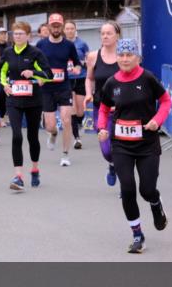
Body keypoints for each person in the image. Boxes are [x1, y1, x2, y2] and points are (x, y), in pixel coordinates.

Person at [96, 38, 171, 254]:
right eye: (121, 55)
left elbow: (166, 101)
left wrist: (157, 120)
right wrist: (102, 127)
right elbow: (103, 108)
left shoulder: (147, 78)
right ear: (117, 57)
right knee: (127, 189)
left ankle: (156, 203)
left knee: (146, 190)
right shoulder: (112, 82)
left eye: (129, 55)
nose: (125, 59)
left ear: (138, 57)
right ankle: (137, 235)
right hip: (121, 145)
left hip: (147, 143)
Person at [0, 21, 51, 191]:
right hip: (13, 100)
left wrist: (33, 73)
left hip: (33, 101)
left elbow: (48, 74)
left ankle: (35, 169)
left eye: (21, 33)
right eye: (15, 34)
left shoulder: (36, 53)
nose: (18, 36)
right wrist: (4, 85)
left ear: (28, 36)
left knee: (32, 137)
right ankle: (18, 176)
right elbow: (1, 72)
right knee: (16, 136)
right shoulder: (7, 52)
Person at [38, 13, 81, 166]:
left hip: (64, 87)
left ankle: (65, 154)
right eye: (53, 25)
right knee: (50, 125)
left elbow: (77, 63)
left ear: (61, 26)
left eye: (58, 25)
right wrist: (38, 77)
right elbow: (34, 65)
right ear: (49, 26)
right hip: (47, 89)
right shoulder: (41, 45)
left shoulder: (69, 45)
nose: (56, 28)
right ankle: (53, 134)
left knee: (66, 120)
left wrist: (76, 69)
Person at [86, 21, 122, 187]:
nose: (105, 36)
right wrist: (88, 93)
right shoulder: (93, 56)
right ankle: (112, 165)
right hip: (101, 108)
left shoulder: (125, 56)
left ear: (117, 36)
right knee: (107, 150)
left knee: (121, 147)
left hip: (122, 109)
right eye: (102, 33)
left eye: (109, 33)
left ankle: (125, 183)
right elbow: (89, 78)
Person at [64, 20, 90, 149]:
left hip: (80, 78)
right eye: (67, 29)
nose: (69, 31)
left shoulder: (82, 44)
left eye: (71, 28)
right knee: (72, 109)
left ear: (75, 30)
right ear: (64, 31)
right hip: (67, 80)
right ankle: (76, 138)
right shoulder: (61, 44)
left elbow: (88, 61)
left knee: (80, 112)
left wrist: (80, 64)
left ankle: (79, 124)